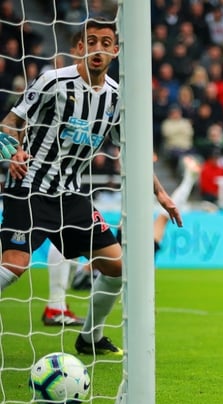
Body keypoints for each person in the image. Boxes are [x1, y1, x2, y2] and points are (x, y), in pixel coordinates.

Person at [0, 18, 183, 354]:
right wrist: (15, 151)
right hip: (30, 187)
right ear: (79, 49)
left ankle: (90, 338)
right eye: (92, 42)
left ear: (114, 51)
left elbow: (132, 153)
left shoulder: (115, 98)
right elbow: (10, 123)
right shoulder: (52, 82)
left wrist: (160, 194)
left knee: (117, 268)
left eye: (105, 42)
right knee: (14, 264)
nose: (98, 48)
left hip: (72, 196)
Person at [45, 154, 200, 327]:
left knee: (148, 221)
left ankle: (183, 180)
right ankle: (186, 180)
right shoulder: (89, 272)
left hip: (120, 253)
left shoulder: (87, 272)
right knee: (157, 220)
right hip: (123, 257)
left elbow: (90, 265)